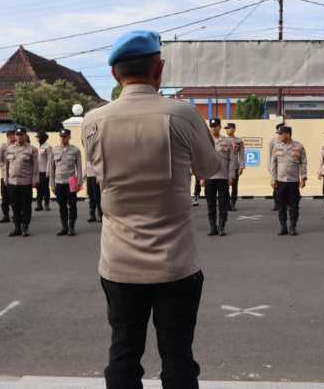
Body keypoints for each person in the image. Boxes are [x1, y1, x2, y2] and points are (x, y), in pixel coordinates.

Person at [81, 30, 220, 389]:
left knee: (123, 354)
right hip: (175, 264)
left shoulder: (93, 121)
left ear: (115, 74)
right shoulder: (182, 115)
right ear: (159, 68)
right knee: (178, 357)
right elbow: (210, 168)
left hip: (119, 263)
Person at [271, 125, 307, 236]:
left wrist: (303, 178)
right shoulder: (276, 146)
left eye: (281, 134)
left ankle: (293, 227)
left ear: (287, 134)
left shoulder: (299, 146)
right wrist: (273, 179)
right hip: (280, 181)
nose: (279, 136)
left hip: (293, 181)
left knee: (294, 205)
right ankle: (283, 227)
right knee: (281, 206)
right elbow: (273, 164)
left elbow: (303, 163)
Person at [202, 118, 235, 236]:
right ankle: (213, 227)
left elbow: (232, 160)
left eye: (215, 126)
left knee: (223, 204)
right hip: (209, 177)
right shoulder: (205, 141)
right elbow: (202, 160)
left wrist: (231, 176)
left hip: (223, 177)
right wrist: (201, 177)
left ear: (220, 127)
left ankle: (221, 226)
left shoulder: (227, 141)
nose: (213, 129)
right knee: (210, 204)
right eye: (211, 127)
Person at [5, 127, 39, 237]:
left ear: (25, 136)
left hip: (25, 182)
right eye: (17, 135)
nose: (19, 137)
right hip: (12, 182)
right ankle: (17, 228)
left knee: (26, 206)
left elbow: (35, 166)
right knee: (14, 206)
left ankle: (25, 226)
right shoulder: (9, 148)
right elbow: (6, 166)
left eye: (21, 135)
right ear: (15, 136)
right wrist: (6, 179)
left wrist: (35, 180)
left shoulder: (32, 149)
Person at [49, 128, 83, 237]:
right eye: (61, 136)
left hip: (71, 181)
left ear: (69, 137)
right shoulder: (54, 150)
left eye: (65, 136)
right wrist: (52, 184)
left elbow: (79, 168)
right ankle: (64, 227)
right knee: (62, 205)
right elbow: (51, 169)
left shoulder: (75, 150)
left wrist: (79, 182)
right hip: (59, 181)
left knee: (72, 205)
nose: (63, 138)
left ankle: (71, 226)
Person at [225, 123, 244, 211]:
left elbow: (242, 154)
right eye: (226, 128)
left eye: (229, 128)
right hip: (225, 167)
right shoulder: (223, 140)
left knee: (234, 186)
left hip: (235, 166)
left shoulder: (239, 141)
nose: (227, 130)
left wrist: (241, 167)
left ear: (234, 129)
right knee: (224, 186)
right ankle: (226, 203)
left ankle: (233, 203)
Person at [0, 129, 15, 223]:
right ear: (8, 137)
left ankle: (16, 215)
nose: (13, 137)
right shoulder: (3, 147)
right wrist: (4, 167)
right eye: (11, 136)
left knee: (14, 198)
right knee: (4, 198)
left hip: (14, 177)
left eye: (14, 135)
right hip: (4, 177)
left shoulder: (17, 146)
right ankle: (5, 215)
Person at [268, 123, 283, 211]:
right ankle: (276, 204)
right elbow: (270, 156)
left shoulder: (287, 141)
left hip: (284, 168)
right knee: (275, 186)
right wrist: (270, 168)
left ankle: (286, 204)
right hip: (276, 168)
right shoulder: (273, 142)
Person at [35, 132, 52, 212]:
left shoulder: (48, 147)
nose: (37, 139)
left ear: (42, 138)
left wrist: (48, 171)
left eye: (38, 137)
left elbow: (49, 160)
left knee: (45, 188)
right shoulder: (39, 147)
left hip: (45, 171)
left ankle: (46, 204)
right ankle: (39, 205)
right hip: (38, 171)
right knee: (38, 188)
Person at [85, 159, 102, 223]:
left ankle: (100, 215)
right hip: (89, 176)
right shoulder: (88, 155)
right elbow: (87, 164)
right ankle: (92, 216)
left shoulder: (97, 154)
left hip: (95, 176)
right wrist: (85, 173)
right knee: (90, 195)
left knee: (97, 196)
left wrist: (99, 176)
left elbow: (100, 164)